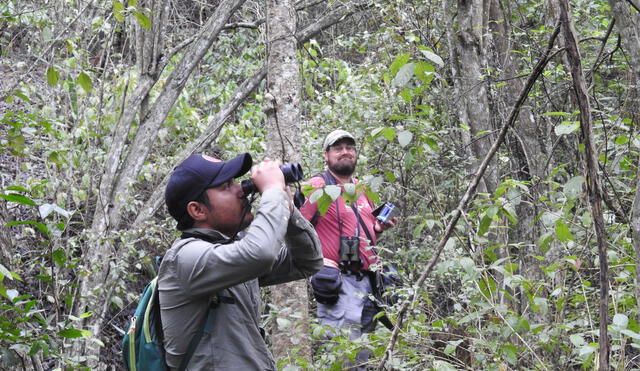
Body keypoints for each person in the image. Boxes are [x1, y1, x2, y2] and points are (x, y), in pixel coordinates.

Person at [159, 152, 322, 370]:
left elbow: (306, 262)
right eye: (226, 186)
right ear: (197, 210)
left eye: (236, 182)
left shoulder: (232, 251)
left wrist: (289, 210)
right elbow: (260, 253)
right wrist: (272, 191)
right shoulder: (186, 258)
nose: (240, 190)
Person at [300, 129, 397, 367]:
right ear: (326, 155)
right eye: (338, 148)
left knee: (362, 354)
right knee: (343, 352)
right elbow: (294, 227)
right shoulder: (317, 186)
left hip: (368, 281)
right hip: (338, 282)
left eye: (350, 148)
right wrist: (316, 260)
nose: (345, 152)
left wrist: (378, 229)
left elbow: (362, 232)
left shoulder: (361, 189)